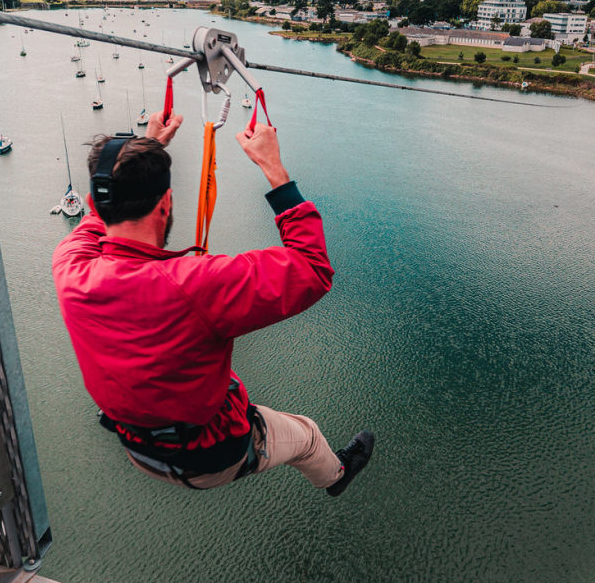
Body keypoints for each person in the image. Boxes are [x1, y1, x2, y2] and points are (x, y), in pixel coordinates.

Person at [52, 111, 376, 496]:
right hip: (210, 457)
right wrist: (271, 164)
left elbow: (95, 218)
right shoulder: (196, 285)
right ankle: (336, 476)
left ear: (94, 200)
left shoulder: (70, 266)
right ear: (166, 203)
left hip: (139, 447)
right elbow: (312, 268)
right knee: (305, 435)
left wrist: (150, 144)